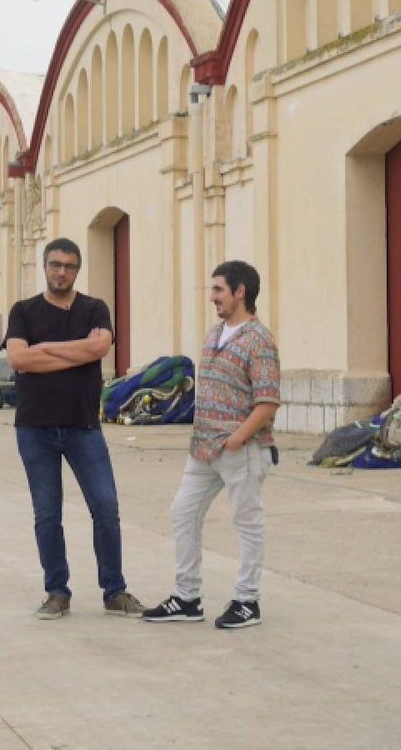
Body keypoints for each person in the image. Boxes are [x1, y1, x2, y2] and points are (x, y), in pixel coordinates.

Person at [4, 238, 145, 621]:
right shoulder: (23, 311)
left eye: (68, 266)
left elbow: (99, 349)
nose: (61, 272)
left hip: (84, 426)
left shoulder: (94, 308)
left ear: (77, 270)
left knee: (106, 507)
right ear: (45, 267)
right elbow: (18, 358)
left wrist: (45, 351)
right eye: (55, 265)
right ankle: (57, 592)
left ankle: (114, 591)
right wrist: (74, 351)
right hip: (35, 429)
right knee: (47, 513)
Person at [144, 260, 280, 630]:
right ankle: (187, 598)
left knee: (247, 522)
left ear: (240, 292)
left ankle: (247, 601)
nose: (212, 297)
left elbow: (267, 401)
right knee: (183, 512)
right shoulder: (213, 333)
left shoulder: (259, 339)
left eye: (218, 289)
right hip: (203, 448)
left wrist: (237, 438)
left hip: (243, 449)